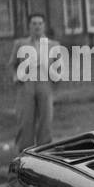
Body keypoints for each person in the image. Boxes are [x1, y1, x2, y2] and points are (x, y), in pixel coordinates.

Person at [12, 12, 60, 152]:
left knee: (45, 120)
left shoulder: (53, 45)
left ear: (44, 26)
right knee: (26, 121)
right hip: (26, 85)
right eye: (34, 24)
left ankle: (44, 153)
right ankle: (25, 155)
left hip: (45, 84)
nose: (37, 26)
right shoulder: (20, 44)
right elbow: (12, 64)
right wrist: (16, 77)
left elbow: (60, 66)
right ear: (29, 26)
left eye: (40, 23)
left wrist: (55, 77)